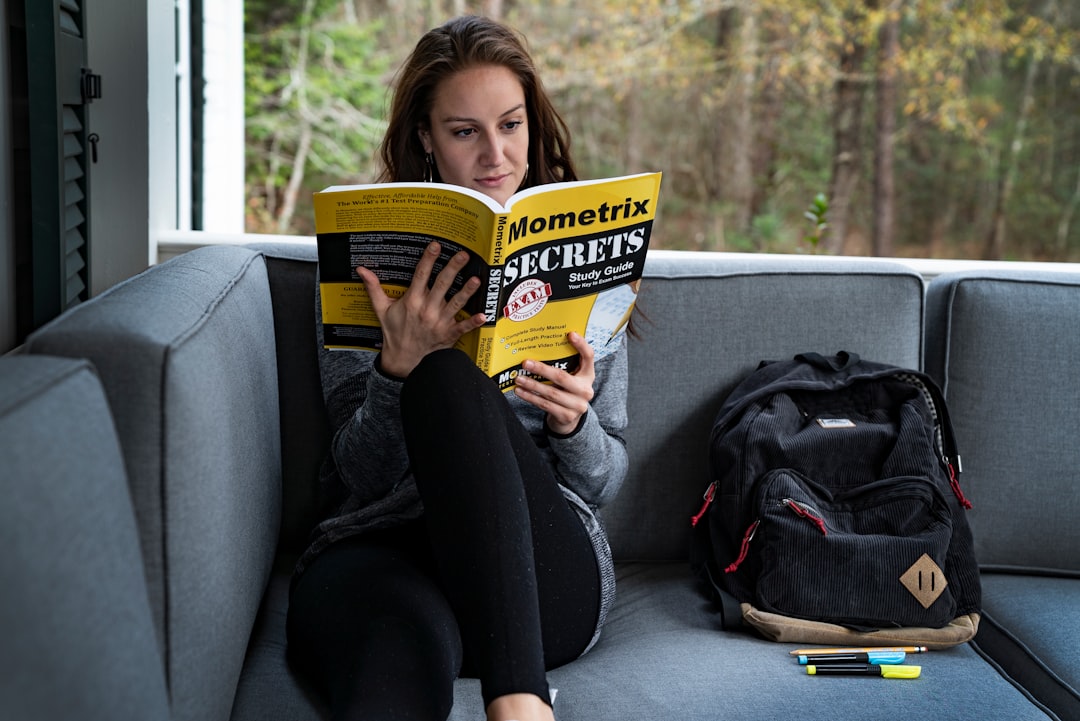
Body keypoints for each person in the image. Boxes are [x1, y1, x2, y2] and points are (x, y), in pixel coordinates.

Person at [286, 15, 630, 721]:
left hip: (540, 574)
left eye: (510, 124)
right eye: (464, 131)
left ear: (533, 125)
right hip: (391, 551)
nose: (495, 154)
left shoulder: (596, 272)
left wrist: (575, 423)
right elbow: (360, 476)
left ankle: (521, 702)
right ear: (426, 139)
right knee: (388, 663)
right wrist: (394, 370)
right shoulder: (368, 270)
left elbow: (607, 479)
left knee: (447, 377)